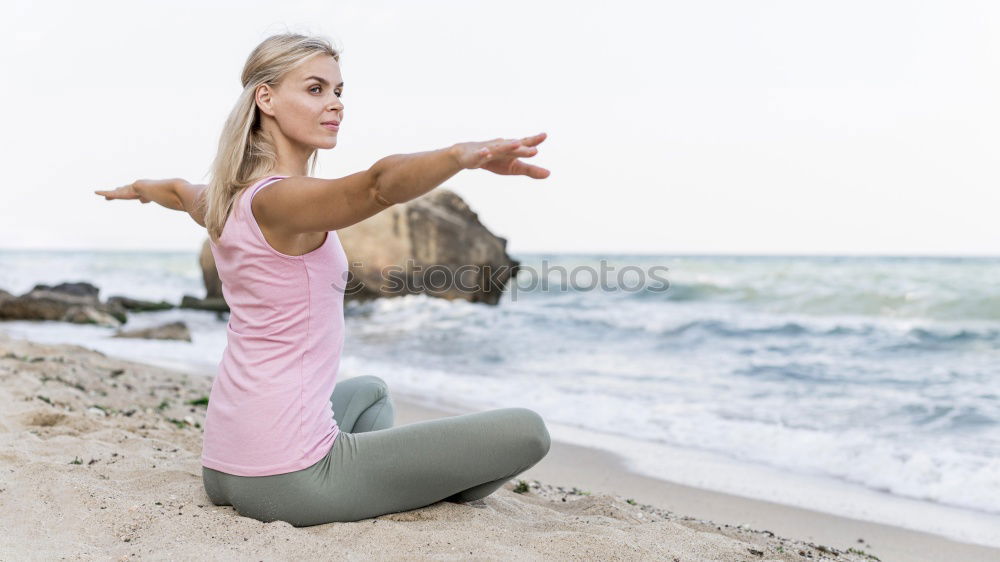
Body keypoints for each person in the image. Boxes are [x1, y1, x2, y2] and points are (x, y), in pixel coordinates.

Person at [94, 32, 552, 526]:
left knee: (371, 391)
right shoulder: (282, 200)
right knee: (528, 432)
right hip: (286, 478)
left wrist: (138, 190)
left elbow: (175, 190)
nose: (334, 104)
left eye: (338, 91)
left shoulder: (221, 199)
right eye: (315, 89)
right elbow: (378, 185)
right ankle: (423, 492)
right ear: (265, 98)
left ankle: (381, 483)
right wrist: (463, 155)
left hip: (225, 465)